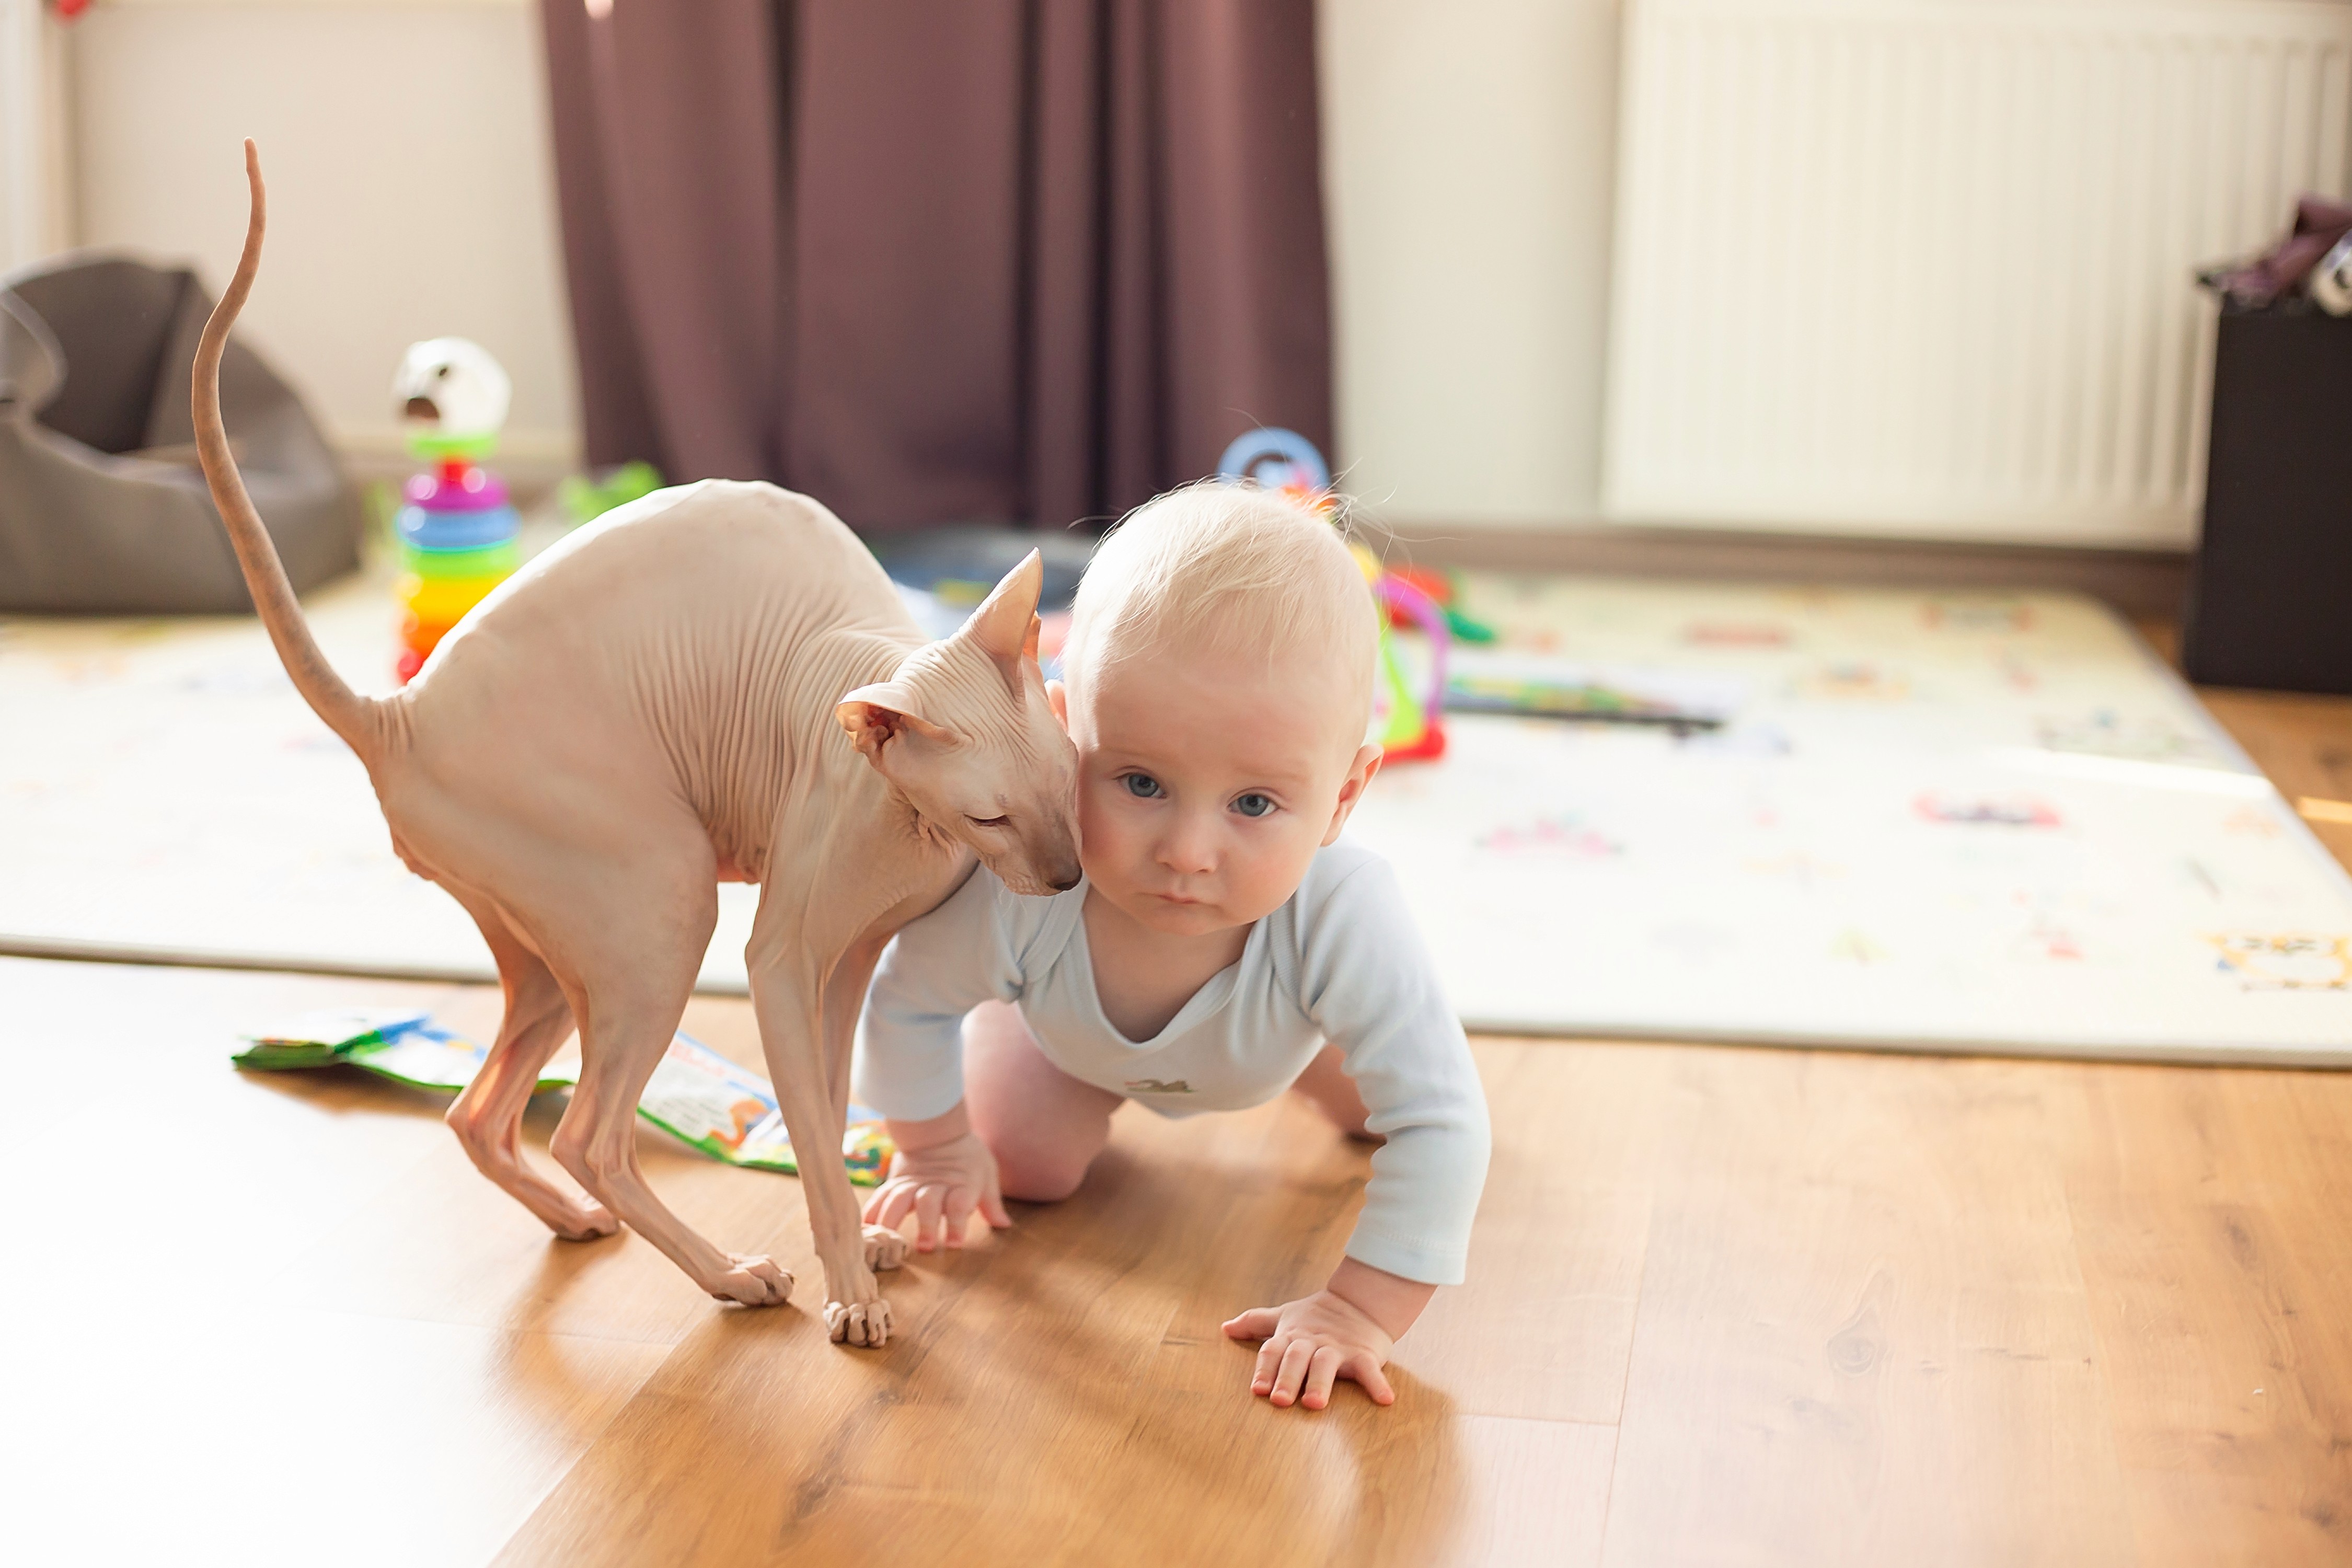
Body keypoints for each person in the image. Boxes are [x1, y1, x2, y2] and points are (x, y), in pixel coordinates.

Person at [854, 481, 1490, 1411]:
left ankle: (1325, 1067)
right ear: (1067, 736)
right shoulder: (1035, 882)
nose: (1188, 854)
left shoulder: (1344, 914)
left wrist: (1361, 1310)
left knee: (1384, 1112)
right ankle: (1027, 1074)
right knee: (1020, 1163)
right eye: (1141, 782)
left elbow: (1443, 1126)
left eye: (1255, 804)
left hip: (1287, 1039)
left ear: (1344, 800)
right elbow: (908, 1000)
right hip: (1067, 1043)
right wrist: (934, 1150)